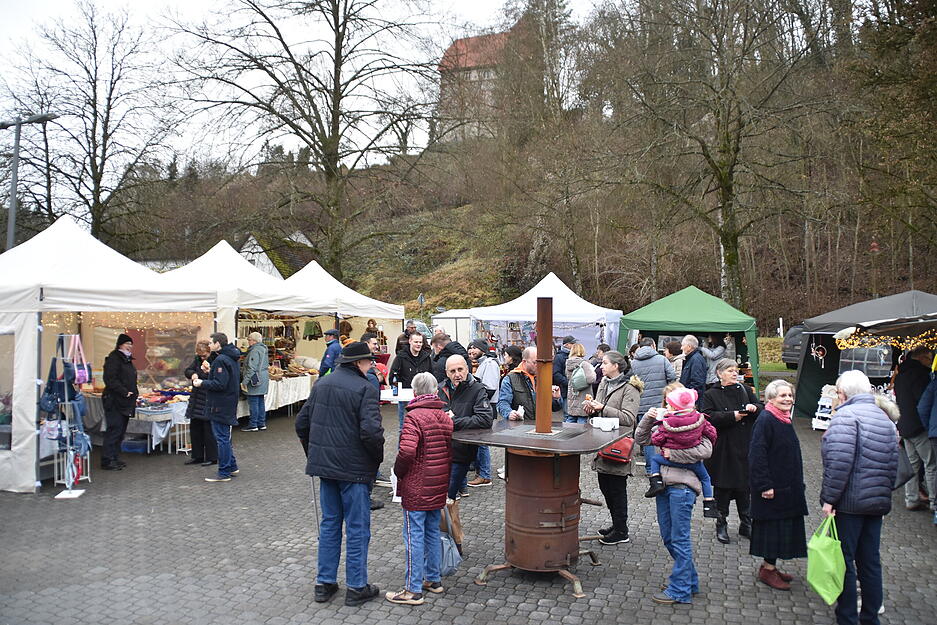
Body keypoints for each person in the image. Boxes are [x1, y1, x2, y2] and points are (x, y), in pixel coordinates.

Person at [295, 341, 384, 607]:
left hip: (327, 468)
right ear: (358, 363)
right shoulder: (365, 388)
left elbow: (302, 424)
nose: (371, 365)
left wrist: (315, 455)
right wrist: (375, 460)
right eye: (369, 361)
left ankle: (324, 583)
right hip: (354, 470)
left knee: (330, 524)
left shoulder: (322, 383)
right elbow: (371, 433)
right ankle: (356, 586)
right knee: (357, 528)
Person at [821, 370, 899, 625]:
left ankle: (847, 617)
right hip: (877, 502)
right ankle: (870, 616)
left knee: (845, 561)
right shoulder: (885, 418)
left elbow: (838, 463)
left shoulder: (846, 416)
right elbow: (893, 463)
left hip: (850, 503)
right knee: (870, 561)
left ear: (842, 393)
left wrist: (829, 499)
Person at [635, 382, 713, 604]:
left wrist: (671, 454)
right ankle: (690, 581)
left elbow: (705, 450)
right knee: (669, 537)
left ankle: (680, 590)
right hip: (663, 487)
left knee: (679, 539)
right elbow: (641, 441)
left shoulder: (698, 423)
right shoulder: (663, 423)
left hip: (683, 487)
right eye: (668, 400)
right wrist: (648, 418)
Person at [386, 372, 453, 605]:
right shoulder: (445, 417)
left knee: (414, 535)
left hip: (416, 484)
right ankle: (433, 579)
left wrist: (398, 472)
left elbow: (406, 452)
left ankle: (412, 589)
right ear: (435, 391)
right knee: (432, 531)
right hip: (438, 483)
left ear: (414, 392)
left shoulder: (413, 417)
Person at [748, 379, 807, 590]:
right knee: (772, 530)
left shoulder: (782, 418)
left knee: (782, 529)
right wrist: (764, 485)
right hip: (772, 489)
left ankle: (770, 566)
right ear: (770, 398)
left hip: (786, 487)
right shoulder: (766, 419)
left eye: (790, 395)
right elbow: (757, 455)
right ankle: (768, 570)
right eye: (783, 396)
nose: (788, 399)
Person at [700, 358, 763, 544]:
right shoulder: (711, 393)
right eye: (730, 370)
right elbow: (707, 416)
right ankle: (722, 523)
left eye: (736, 370)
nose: (735, 373)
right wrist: (732, 416)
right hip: (723, 448)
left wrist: (754, 408)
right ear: (719, 374)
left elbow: (761, 407)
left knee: (745, 487)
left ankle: (746, 523)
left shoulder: (746, 390)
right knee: (724, 487)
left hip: (745, 445)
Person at [583, 350, 642, 546]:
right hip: (602, 442)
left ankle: (621, 530)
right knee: (605, 486)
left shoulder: (630, 387)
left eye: (605, 363)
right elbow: (598, 410)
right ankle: (616, 525)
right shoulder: (604, 382)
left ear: (616, 366)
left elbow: (629, 419)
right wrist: (591, 410)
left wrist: (602, 409)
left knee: (617, 489)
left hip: (619, 445)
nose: (602, 366)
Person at [643, 387, 718, 518]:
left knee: (654, 459)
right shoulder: (700, 419)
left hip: (669, 460)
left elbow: (656, 439)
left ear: (674, 407)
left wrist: (662, 440)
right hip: (693, 463)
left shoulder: (668, 422)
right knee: (706, 478)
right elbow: (712, 433)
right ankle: (708, 503)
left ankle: (656, 481)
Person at [437, 355, 494, 501]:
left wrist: (454, 421)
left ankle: (446, 522)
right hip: (439, 451)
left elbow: (485, 419)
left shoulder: (477, 389)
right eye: (452, 371)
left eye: (460, 369)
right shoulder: (440, 389)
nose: (457, 374)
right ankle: (444, 523)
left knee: (447, 496)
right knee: (439, 497)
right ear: (446, 373)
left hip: (461, 452)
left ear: (467, 369)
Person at [192, 333, 241, 483]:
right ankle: (231, 466)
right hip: (228, 402)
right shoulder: (230, 357)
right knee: (224, 437)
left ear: (218, 344)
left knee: (222, 438)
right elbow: (224, 379)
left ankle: (224, 471)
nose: (209, 345)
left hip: (220, 404)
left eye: (211, 343)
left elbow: (220, 384)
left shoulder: (221, 360)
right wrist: (210, 373)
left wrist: (202, 383)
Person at [893, 347, 936, 511]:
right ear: (922, 358)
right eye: (930, 358)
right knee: (931, 465)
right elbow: (924, 403)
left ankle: (911, 499)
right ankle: (934, 502)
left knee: (912, 466)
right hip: (919, 427)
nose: (931, 362)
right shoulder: (921, 376)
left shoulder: (900, 375)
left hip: (904, 426)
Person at [101, 333, 139, 471]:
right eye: (127, 344)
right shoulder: (114, 358)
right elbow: (110, 379)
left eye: (131, 344)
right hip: (115, 400)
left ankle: (115, 457)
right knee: (114, 429)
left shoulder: (127, 360)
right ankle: (107, 459)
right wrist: (124, 391)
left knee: (121, 431)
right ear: (120, 345)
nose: (130, 347)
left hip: (125, 401)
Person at [497, 346, 563, 420]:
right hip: (520, 428)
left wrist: (556, 398)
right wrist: (509, 413)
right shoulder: (510, 379)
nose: (538, 365)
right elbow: (503, 403)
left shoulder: (542, 377)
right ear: (524, 361)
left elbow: (555, 408)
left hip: (541, 426)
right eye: (535, 362)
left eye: (540, 362)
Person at [466, 339, 499, 487]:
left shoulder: (490, 364)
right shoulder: (483, 363)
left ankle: (485, 475)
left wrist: (477, 400)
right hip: (482, 406)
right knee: (479, 441)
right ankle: (481, 472)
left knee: (482, 442)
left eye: (474, 348)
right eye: (470, 348)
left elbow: (490, 388)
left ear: (482, 350)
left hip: (486, 407)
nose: (471, 350)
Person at [388, 331, 434, 431]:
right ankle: (402, 447)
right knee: (404, 428)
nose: (418, 344)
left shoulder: (427, 358)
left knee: (423, 428)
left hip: (423, 399)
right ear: (410, 341)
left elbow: (432, 377)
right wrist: (399, 390)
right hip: (405, 399)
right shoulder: (401, 357)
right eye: (416, 342)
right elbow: (392, 376)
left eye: (420, 342)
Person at [183, 340, 217, 466]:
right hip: (197, 398)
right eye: (200, 355)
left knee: (208, 430)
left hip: (208, 398)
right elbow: (188, 370)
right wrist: (193, 374)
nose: (202, 358)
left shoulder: (215, 360)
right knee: (195, 428)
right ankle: (197, 455)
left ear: (209, 352)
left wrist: (207, 374)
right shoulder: (197, 360)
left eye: (204, 355)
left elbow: (218, 379)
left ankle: (212, 456)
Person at [630, 337, 677, 419]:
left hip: (640, 406)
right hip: (659, 405)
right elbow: (672, 377)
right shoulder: (662, 359)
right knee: (658, 430)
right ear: (652, 346)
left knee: (642, 430)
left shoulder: (633, 363)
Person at [918, 366, 937, 526]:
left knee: (932, 467)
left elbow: (923, 407)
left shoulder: (934, 382)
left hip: (934, 433)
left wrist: (929, 428)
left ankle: (935, 506)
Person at [241, 331, 270, 432]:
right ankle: (261, 423)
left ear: (253, 341)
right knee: (260, 401)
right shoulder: (263, 349)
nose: (248, 342)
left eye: (249, 340)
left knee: (253, 402)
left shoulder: (254, 351)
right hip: (263, 377)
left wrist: (244, 381)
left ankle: (253, 424)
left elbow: (251, 368)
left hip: (255, 378)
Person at [564, 343, 596, 424]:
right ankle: (580, 437)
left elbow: (569, 377)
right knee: (582, 419)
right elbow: (591, 379)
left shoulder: (568, 363)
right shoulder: (584, 364)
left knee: (571, 418)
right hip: (583, 396)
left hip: (572, 394)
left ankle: (567, 435)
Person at [553, 336, 577, 419]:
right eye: (573, 343)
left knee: (571, 414)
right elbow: (556, 374)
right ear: (566, 345)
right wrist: (568, 383)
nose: (575, 345)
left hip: (571, 390)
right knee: (568, 414)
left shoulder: (571, 356)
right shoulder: (559, 357)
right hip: (565, 390)